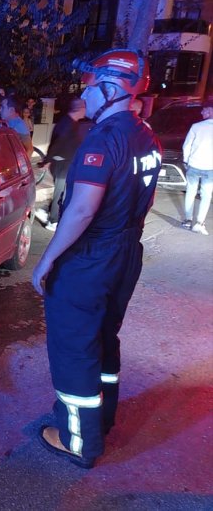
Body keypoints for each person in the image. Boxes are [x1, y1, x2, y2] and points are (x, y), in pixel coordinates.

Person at [32, 49, 162, 469]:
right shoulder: (145, 134)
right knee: (104, 339)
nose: (83, 96)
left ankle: (78, 440)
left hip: (91, 258)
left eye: (89, 87)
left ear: (110, 88)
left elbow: (83, 210)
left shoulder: (103, 140)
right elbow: (146, 199)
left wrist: (47, 260)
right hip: (125, 254)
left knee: (74, 347)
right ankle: (100, 419)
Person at [35, 97, 89, 231]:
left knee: (61, 191)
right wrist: (48, 160)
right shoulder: (67, 124)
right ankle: (52, 221)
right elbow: (57, 143)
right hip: (61, 164)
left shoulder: (71, 122)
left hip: (64, 163)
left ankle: (50, 214)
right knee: (60, 192)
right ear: (79, 109)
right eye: (84, 108)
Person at [181, 101, 212, 235]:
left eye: (204, 110)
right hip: (211, 167)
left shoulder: (196, 127)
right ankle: (199, 223)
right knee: (206, 195)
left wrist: (186, 161)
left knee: (191, 192)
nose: (201, 112)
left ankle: (188, 221)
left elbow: (186, 146)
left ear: (211, 111)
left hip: (194, 165)